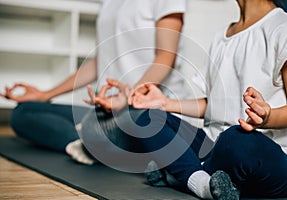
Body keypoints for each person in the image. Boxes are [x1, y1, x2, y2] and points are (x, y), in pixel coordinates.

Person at [128, 0, 287, 199]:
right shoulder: (222, 36)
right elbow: (215, 105)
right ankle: (202, 184)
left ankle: (181, 172)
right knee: (149, 118)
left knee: (236, 138)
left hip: (271, 157)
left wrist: (268, 116)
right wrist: (165, 104)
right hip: (214, 144)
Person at [0, 0, 191, 165]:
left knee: (103, 127)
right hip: (110, 112)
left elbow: (166, 57)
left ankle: (94, 140)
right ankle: (89, 143)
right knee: (23, 113)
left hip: (147, 111)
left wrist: (129, 97)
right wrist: (45, 94)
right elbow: (100, 61)